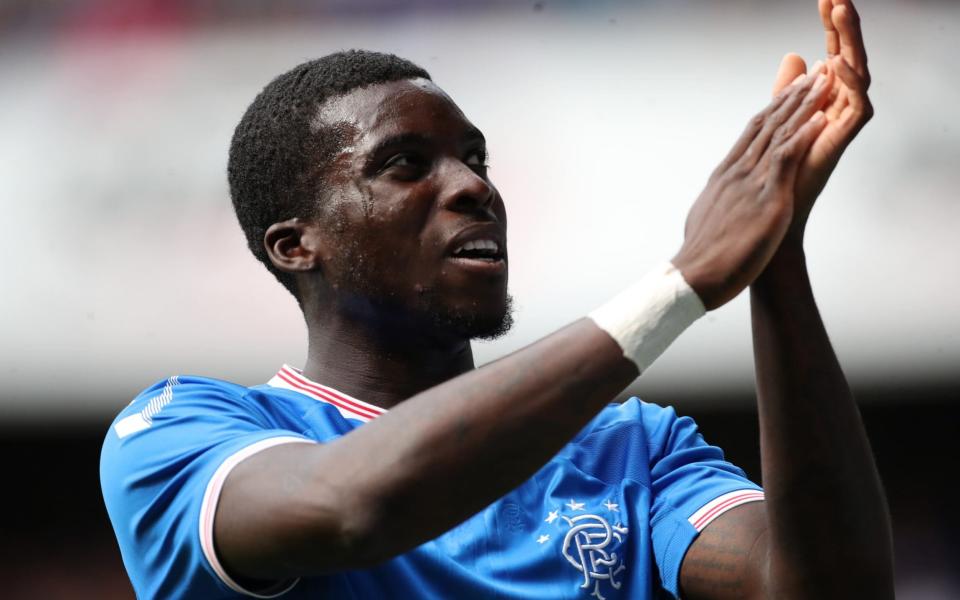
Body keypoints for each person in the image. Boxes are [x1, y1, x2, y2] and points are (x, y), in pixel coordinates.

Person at [100, 0, 893, 597]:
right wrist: (680, 286)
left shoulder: (630, 450)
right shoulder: (176, 433)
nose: (474, 186)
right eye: (406, 164)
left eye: (475, 158)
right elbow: (350, 506)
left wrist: (774, 251)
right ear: (296, 244)